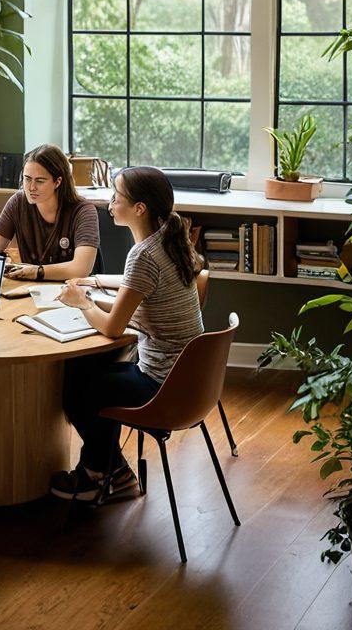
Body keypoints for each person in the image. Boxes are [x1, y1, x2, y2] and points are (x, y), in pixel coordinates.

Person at [50, 165, 204, 502]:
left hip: (161, 387)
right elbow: (140, 283)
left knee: (78, 388)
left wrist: (81, 302)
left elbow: (111, 327)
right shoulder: (169, 241)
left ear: (139, 208)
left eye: (116, 197)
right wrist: (97, 281)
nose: (109, 203)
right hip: (191, 381)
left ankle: (98, 474)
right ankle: (112, 470)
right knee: (88, 371)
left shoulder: (144, 254)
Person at [0, 144, 98, 281]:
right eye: (27, 179)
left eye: (40, 181)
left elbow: (81, 268)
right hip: (30, 289)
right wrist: (3, 262)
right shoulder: (18, 202)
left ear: (58, 182)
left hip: (72, 291)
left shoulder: (83, 211)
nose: (31, 187)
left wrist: (37, 271)